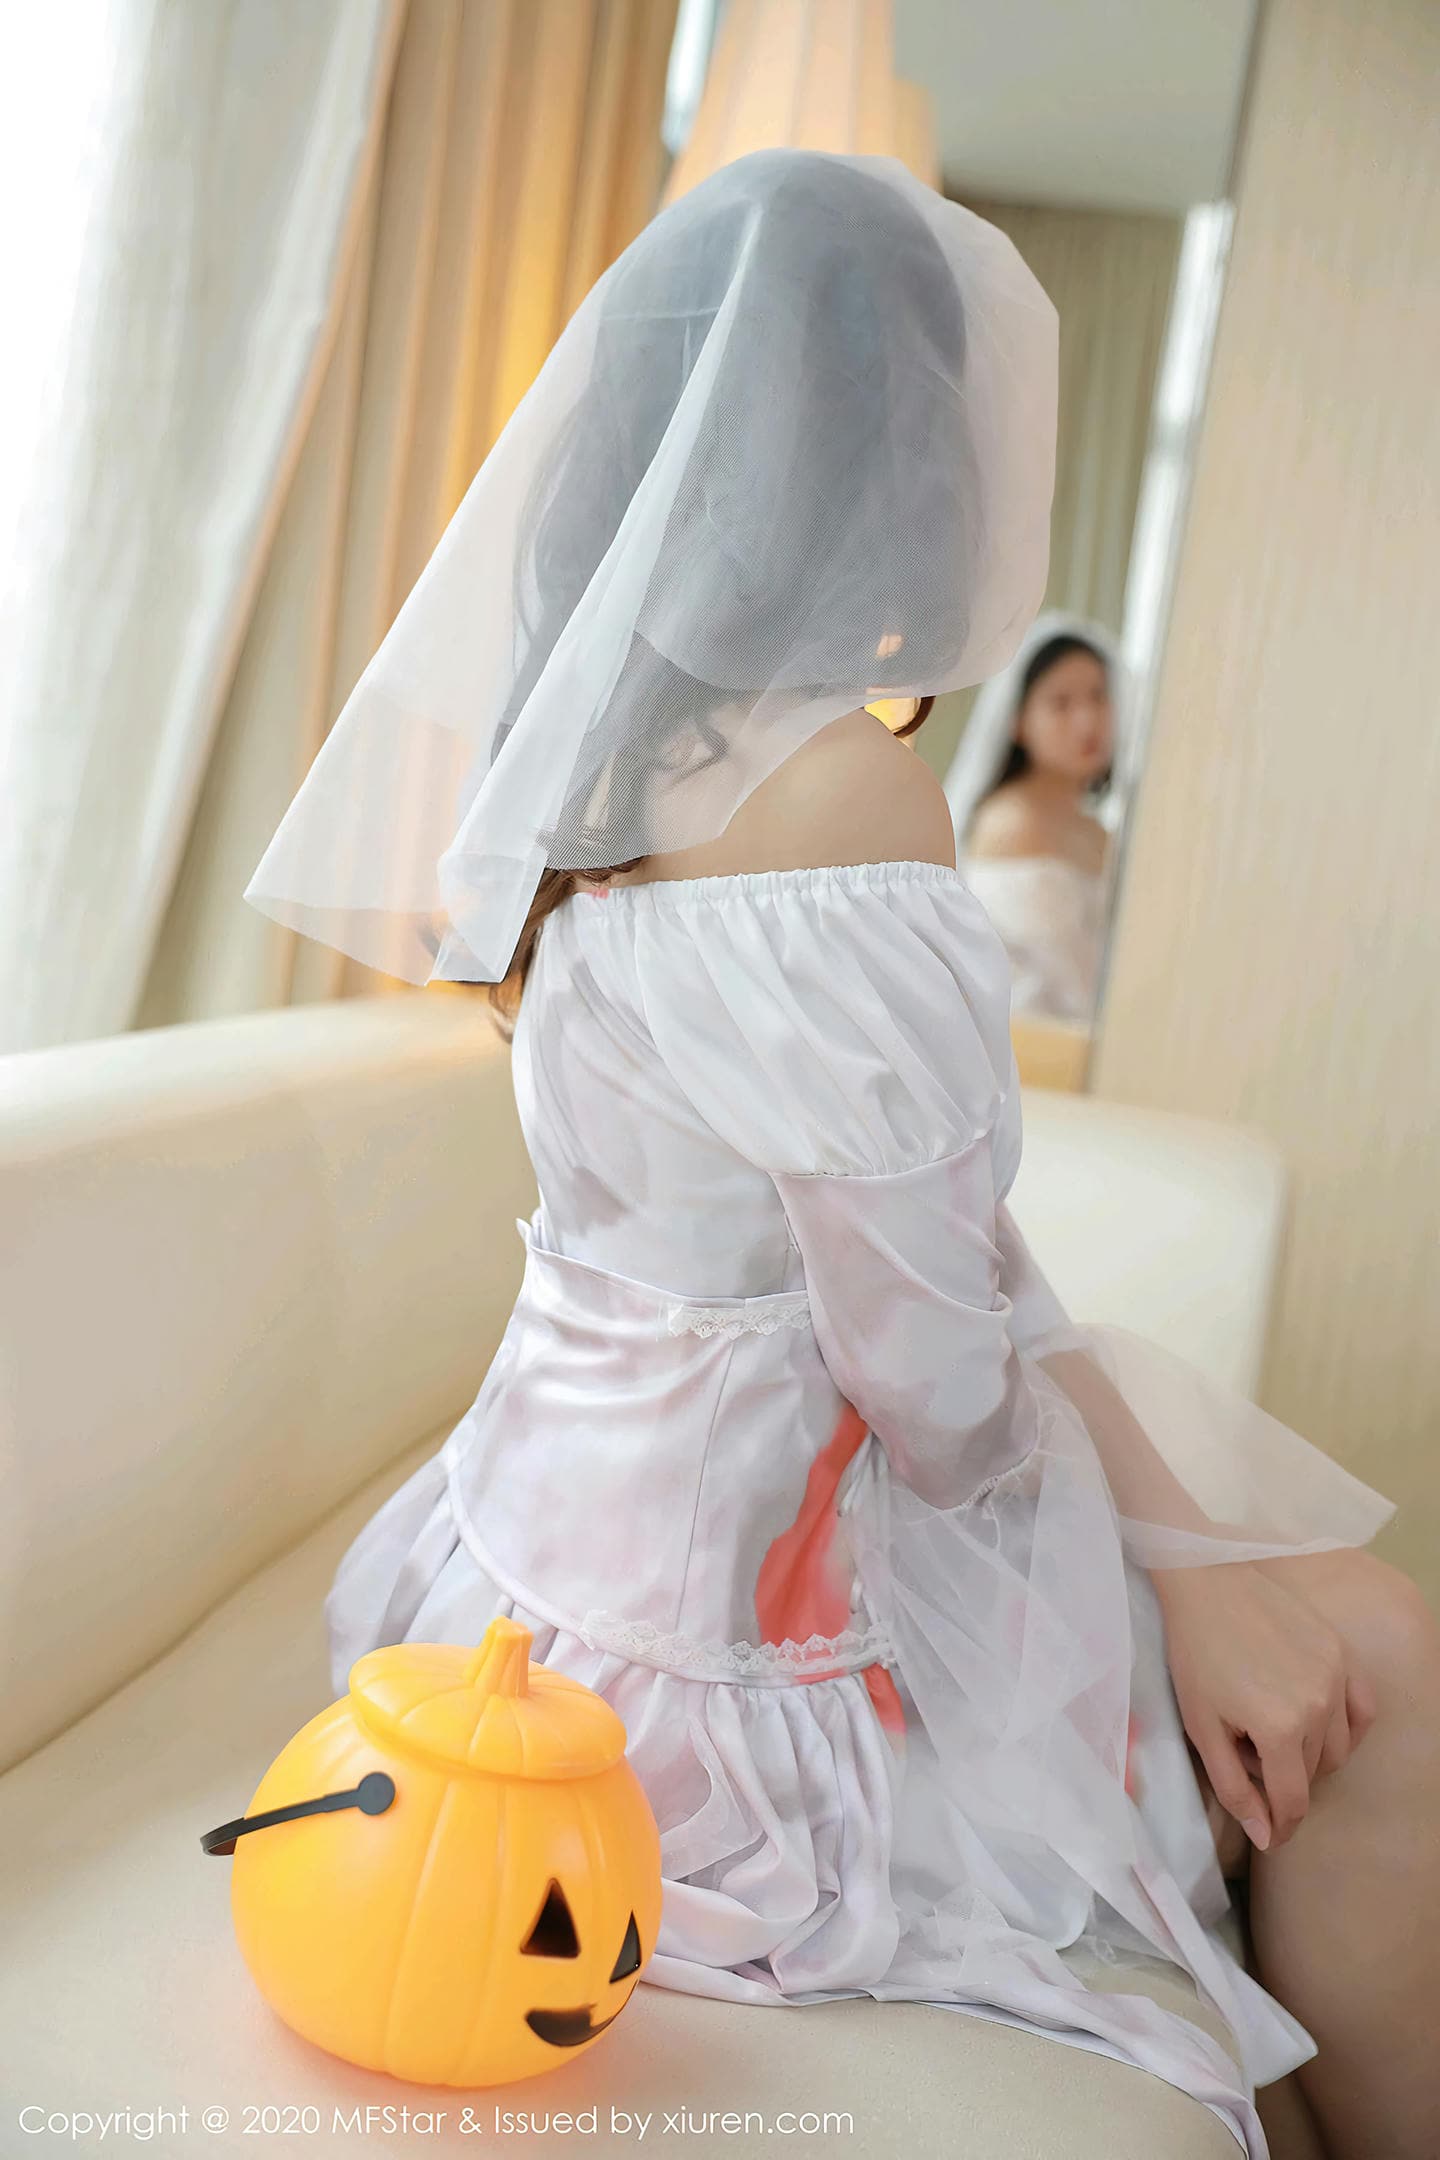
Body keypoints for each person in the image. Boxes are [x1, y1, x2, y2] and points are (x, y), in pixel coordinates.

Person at [243, 150, 1438, 2158]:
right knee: (1384, 1657)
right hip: (729, 1688)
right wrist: (1166, 1550)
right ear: (898, 460)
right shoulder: (842, 798)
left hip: (513, 1581)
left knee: (1298, 1604)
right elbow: (939, 1396)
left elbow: (911, 1287)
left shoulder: (589, 764)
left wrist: (1163, 1526)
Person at [942, 612, 1122, 1024]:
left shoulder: (1100, 834)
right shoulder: (1011, 824)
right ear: (1019, 721)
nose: (1087, 721)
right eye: (1062, 703)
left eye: (1098, 697)